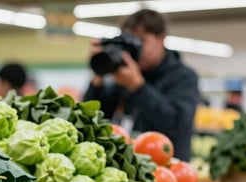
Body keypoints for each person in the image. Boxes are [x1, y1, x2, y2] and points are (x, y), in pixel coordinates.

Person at [83, 9, 200, 161]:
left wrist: (138, 87)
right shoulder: (125, 75)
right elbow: (94, 119)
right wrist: (98, 75)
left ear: (161, 38)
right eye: (130, 42)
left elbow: (176, 124)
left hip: (169, 170)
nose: (136, 49)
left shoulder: (184, 77)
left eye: (141, 41)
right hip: (130, 169)